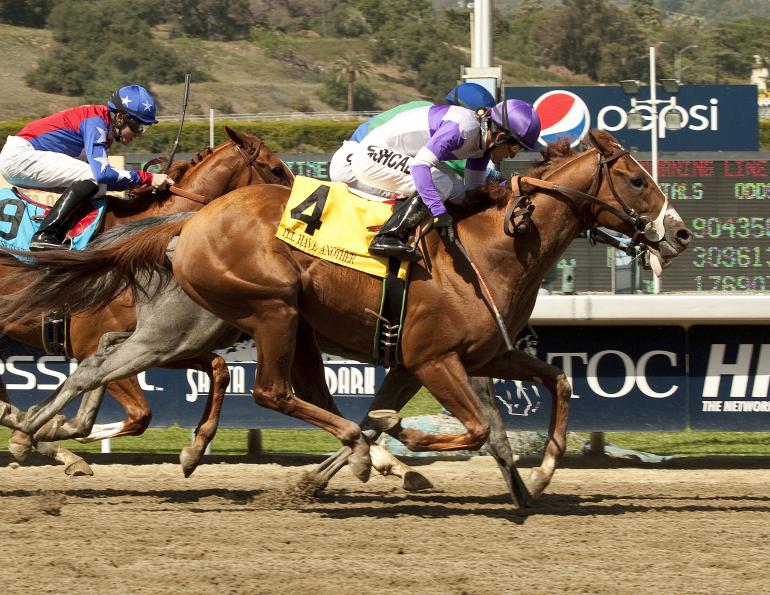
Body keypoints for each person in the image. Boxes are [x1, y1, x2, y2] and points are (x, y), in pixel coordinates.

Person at [349, 98, 541, 260]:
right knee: (442, 184)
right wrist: (437, 211)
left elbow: (472, 190)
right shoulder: (463, 129)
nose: (513, 156)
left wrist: (507, 191)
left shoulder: (482, 146)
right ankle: (387, 237)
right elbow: (420, 166)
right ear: (500, 136)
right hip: (371, 155)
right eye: (515, 148)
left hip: (398, 155)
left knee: (458, 192)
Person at [0, 84, 175, 250]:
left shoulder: (104, 130)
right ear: (120, 118)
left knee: (97, 189)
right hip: (19, 156)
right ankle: (45, 235)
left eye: (144, 128)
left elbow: (102, 182)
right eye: (138, 126)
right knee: (92, 176)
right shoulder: (96, 122)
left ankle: (69, 237)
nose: (139, 134)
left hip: (22, 157)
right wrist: (148, 177)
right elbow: (102, 174)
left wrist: (137, 184)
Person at [329, 82, 497, 189]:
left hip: (353, 156)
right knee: (449, 190)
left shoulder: (426, 109)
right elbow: (461, 165)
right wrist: (499, 180)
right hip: (357, 164)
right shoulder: (454, 127)